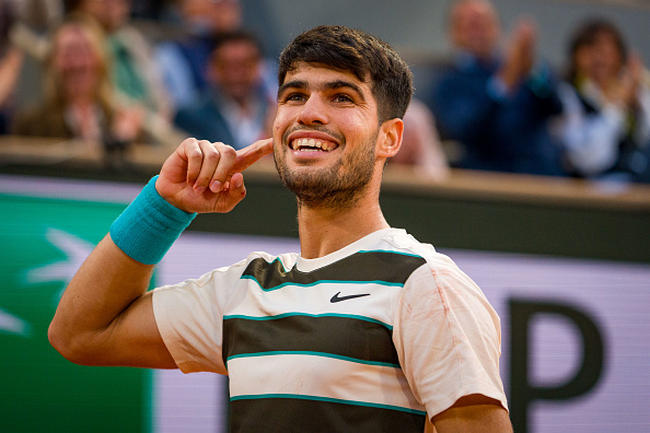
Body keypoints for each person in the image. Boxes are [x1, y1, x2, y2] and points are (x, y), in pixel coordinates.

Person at [48, 25, 511, 433]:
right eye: (294, 95)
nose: (309, 113)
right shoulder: (245, 290)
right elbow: (80, 333)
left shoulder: (426, 285)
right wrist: (163, 206)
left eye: (341, 97)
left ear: (389, 137)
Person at [430, 0, 564, 176]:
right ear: (454, 33)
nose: (479, 32)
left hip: (542, 172)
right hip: (489, 177)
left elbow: (556, 107)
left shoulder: (525, 67)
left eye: (484, 24)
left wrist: (532, 69)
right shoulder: (449, 82)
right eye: (471, 25)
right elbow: (467, 129)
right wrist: (503, 84)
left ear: (498, 28)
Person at [12, 18, 141, 151]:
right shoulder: (31, 125)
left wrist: (120, 140)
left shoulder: (120, 121)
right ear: (53, 63)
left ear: (101, 60)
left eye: (85, 51)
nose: (77, 63)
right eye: (68, 53)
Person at [558, 19, 650, 183]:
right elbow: (586, 159)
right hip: (592, 186)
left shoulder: (635, 91)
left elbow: (643, 139)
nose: (600, 59)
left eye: (608, 51)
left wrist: (636, 105)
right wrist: (617, 108)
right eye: (592, 49)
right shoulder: (567, 94)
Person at [173, 30, 274, 150]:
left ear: (260, 67)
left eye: (245, 65)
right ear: (210, 68)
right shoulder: (191, 116)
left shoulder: (273, 109)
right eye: (226, 66)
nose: (236, 75)